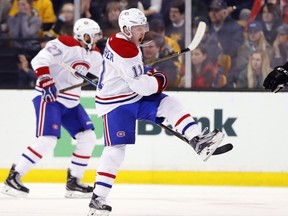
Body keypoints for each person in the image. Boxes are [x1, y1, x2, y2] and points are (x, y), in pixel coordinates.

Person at [87, 8, 226, 216]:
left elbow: (131, 75)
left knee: (170, 104)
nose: (142, 31)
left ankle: (197, 140)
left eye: (143, 26)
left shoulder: (119, 39)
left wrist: (143, 72)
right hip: (114, 103)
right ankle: (98, 199)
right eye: (137, 28)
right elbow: (142, 87)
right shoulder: (127, 49)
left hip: (129, 94)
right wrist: (159, 79)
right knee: (116, 149)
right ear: (126, 29)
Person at [1, 18, 103, 198]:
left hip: (71, 101)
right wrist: (46, 80)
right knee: (48, 140)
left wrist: (134, 73)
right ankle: (13, 177)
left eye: (96, 35)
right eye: (91, 35)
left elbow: (106, 74)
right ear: (81, 35)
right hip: (50, 97)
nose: (95, 39)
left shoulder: (95, 55)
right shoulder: (65, 43)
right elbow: (40, 60)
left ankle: (73, 184)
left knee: (88, 137)